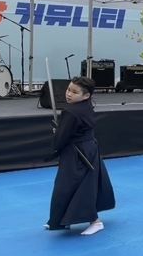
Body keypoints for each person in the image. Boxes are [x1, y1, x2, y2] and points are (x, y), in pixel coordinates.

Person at [45, 76, 115, 236]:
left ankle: (95, 221)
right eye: (68, 89)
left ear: (86, 95)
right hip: (88, 148)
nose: (69, 94)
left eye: (74, 92)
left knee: (77, 186)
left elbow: (61, 139)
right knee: (72, 185)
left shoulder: (70, 112)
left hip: (77, 152)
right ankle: (62, 220)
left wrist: (57, 133)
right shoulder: (86, 107)